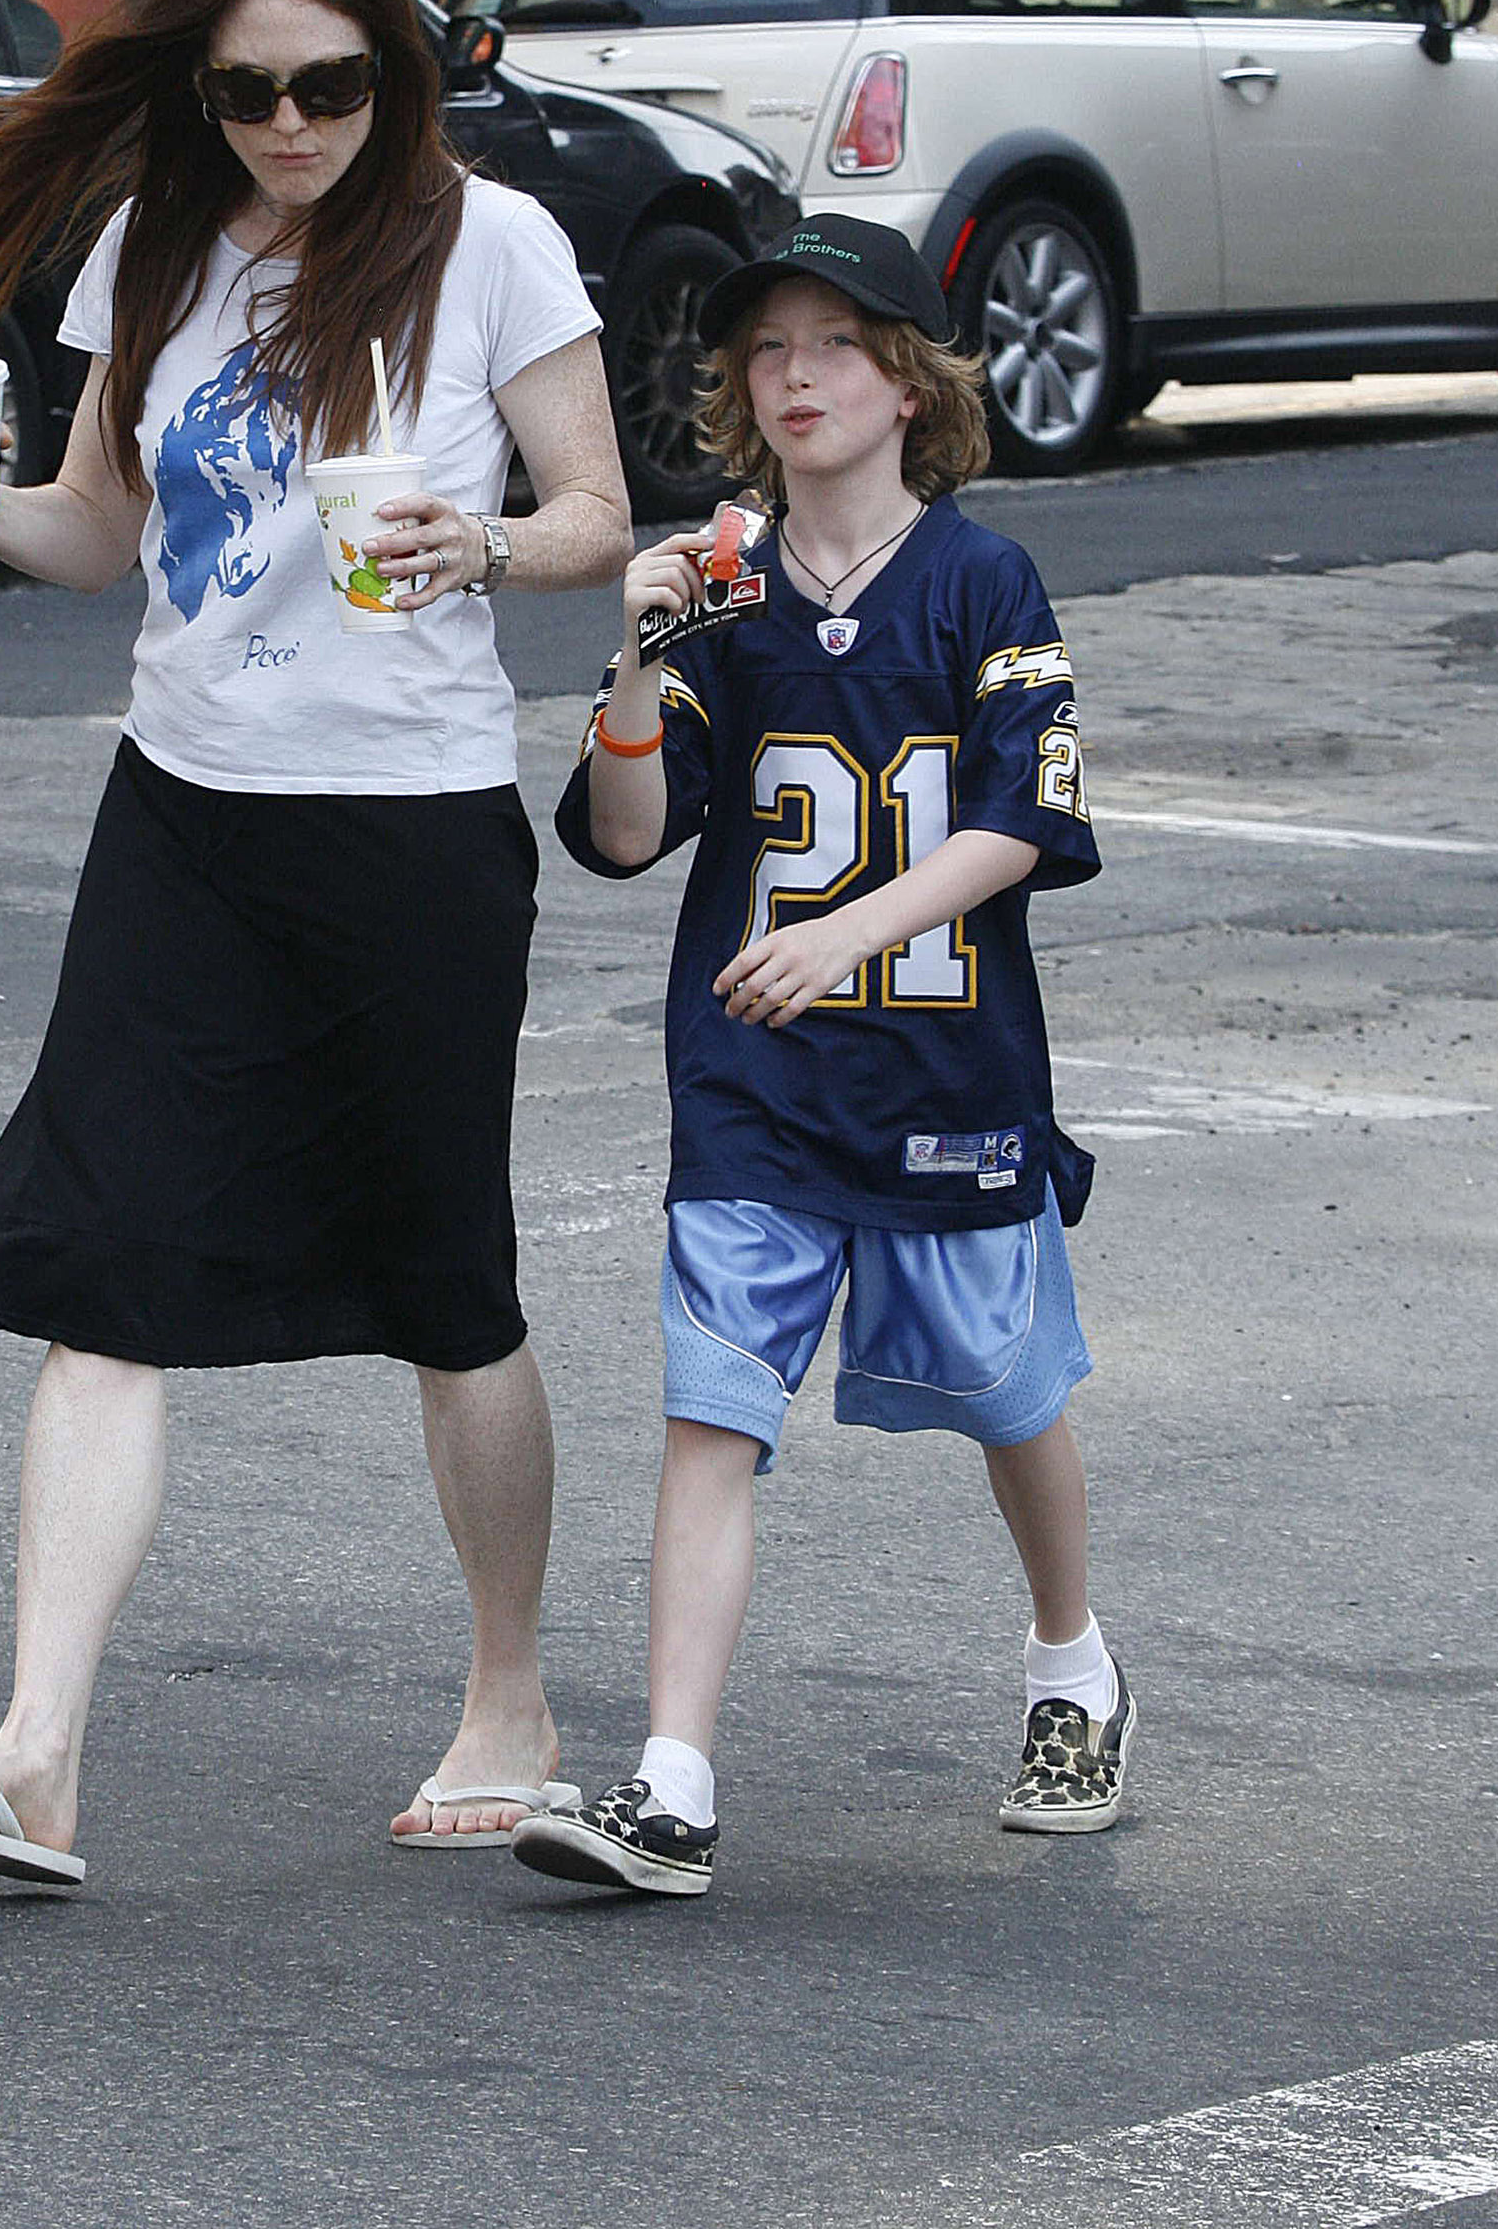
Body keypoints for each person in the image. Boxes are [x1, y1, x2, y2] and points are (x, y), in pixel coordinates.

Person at [0, 0, 632, 1886]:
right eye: (244, 93)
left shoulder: (497, 249)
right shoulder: (158, 249)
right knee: (96, 1262)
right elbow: (99, 537)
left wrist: (487, 547)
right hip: (187, 810)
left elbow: (601, 519)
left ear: (400, 69)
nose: (287, 128)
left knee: (448, 1285)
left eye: (328, 88)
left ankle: (513, 1700)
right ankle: (35, 1752)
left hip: (408, 824)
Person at [511, 215, 1127, 1901]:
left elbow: (1030, 818)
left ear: (912, 378)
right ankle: (672, 1779)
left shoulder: (980, 578)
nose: (796, 377)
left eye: (836, 345)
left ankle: (1070, 1661)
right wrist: (633, 654)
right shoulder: (721, 591)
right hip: (750, 1088)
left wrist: (850, 931)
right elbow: (629, 838)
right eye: (766, 350)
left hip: (942, 1078)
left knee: (1010, 1396)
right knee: (712, 1410)